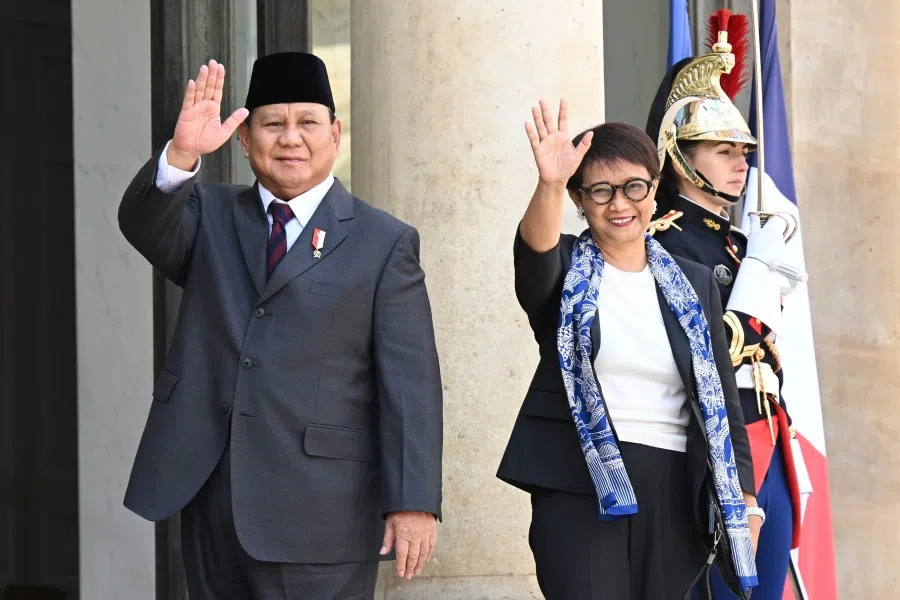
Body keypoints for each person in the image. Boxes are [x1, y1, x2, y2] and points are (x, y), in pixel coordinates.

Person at [118, 52, 443, 599]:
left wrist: (412, 502)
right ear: (245, 141)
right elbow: (142, 222)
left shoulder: (382, 242)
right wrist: (181, 156)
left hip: (323, 509)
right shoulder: (209, 216)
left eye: (308, 123)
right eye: (272, 124)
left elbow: (410, 383)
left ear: (335, 135)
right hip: (213, 497)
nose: (290, 138)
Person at [496, 101, 760, 600]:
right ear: (581, 199)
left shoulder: (693, 281)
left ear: (655, 190)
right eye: (601, 191)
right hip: (579, 483)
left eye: (634, 187)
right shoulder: (567, 268)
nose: (620, 204)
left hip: (675, 484)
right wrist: (550, 183)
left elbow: (722, 399)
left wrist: (745, 500)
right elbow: (533, 258)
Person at [644, 13, 805, 600]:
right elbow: (699, 345)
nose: (742, 162)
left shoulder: (740, 244)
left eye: (744, 150)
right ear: (681, 156)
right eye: (723, 150)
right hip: (706, 448)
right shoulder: (661, 241)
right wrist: (752, 303)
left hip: (769, 434)